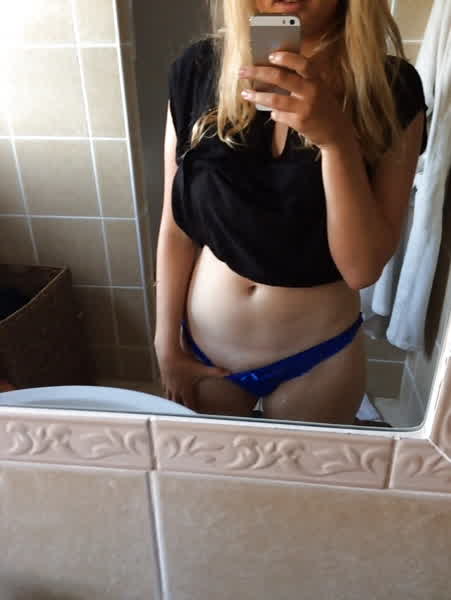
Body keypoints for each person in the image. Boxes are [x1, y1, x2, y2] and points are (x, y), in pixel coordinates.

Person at [154, 0, 428, 424]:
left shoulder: (391, 89)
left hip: (318, 357)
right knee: (211, 470)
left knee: (300, 472)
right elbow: (176, 225)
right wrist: (165, 341)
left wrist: (336, 141)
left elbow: (361, 270)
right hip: (205, 351)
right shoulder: (198, 68)